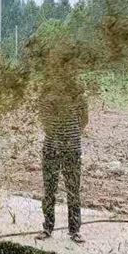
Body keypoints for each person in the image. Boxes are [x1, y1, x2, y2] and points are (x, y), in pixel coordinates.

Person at [36, 74, 88, 244]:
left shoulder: (78, 95)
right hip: (51, 148)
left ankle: (75, 230)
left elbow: (83, 121)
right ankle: (47, 227)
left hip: (72, 149)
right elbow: (44, 120)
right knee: (49, 190)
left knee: (73, 191)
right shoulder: (46, 94)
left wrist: (69, 135)